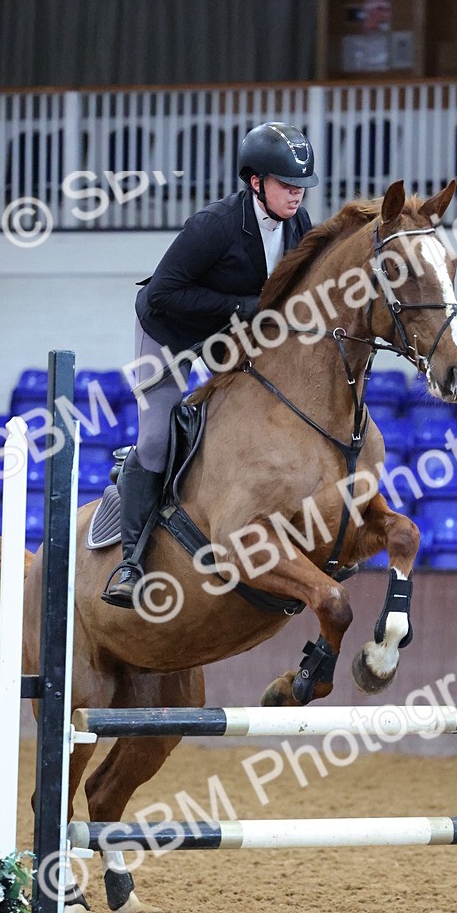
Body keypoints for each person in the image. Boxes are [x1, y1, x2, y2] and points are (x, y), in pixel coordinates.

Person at [102, 121, 319, 607]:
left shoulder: (298, 227)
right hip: (170, 331)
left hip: (228, 339)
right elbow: (162, 293)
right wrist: (239, 306)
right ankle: (130, 564)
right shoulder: (215, 225)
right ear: (256, 182)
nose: (297, 196)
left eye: (302, 187)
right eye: (287, 185)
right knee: (157, 438)